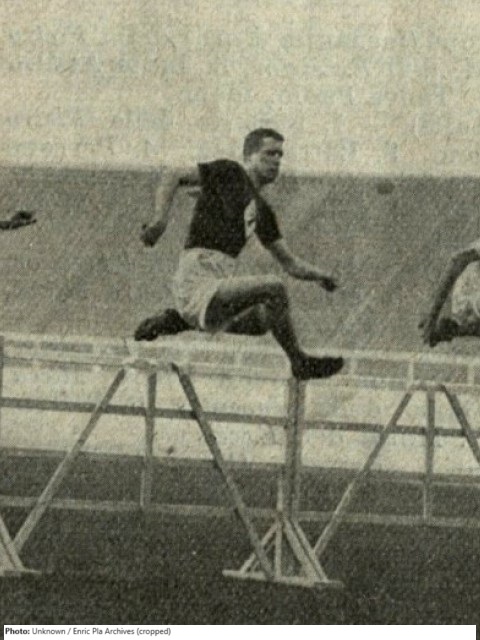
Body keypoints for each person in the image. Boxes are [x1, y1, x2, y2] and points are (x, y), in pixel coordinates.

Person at [136, 128, 343, 380]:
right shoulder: (231, 172)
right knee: (273, 288)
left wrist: (322, 276)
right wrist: (159, 222)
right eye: (269, 153)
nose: (276, 160)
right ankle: (299, 362)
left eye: (280, 155)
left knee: (266, 320)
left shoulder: (263, 211)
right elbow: (174, 174)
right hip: (195, 282)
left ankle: (179, 321)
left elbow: (290, 263)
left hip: (217, 286)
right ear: (249, 156)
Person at [420, 237, 480, 346]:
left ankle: (452, 330)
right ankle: (452, 329)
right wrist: (432, 316)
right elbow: (457, 261)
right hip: (469, 292)